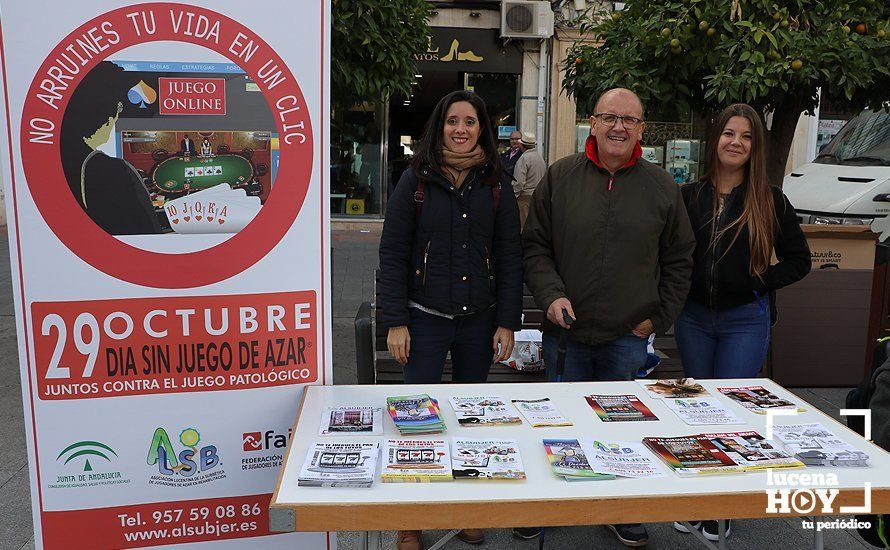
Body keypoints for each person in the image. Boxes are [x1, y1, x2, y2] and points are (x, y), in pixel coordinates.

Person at [521, 88, 695, 547]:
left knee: (623, 430)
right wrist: (550, 294)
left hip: (627, 336)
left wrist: (657, 319)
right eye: (609, 117)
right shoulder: (561, 177)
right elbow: (535, 247)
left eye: (630, 120)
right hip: (566, 332)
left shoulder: (662, 187)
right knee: (557, 426)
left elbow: (680, 260)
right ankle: (551, 505)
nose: (619, 127)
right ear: (593, 123)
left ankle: (620, 508)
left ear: (642, 128)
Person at [378, 90, 522, 550]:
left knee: (468, 421)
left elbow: (509, 255)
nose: (461, 129)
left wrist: (507, 321)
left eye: (471, 122)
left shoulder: (496, 183)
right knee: (415, 421)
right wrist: (395, 320)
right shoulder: (415, 181)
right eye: (452, 121)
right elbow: (393, 252)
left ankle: (464, 512)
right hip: (424, 318)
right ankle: (412, 521)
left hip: (479, 321)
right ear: (439, 126)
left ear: (483, 129)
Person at [673, 103, 811, 542]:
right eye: (728, 133)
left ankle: (722, 507)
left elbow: (799, 260)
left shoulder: (770, 199)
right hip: (693, 317)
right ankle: (697, 500)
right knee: (696, 410)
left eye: (746, 136)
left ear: (755, 147)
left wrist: (759, 282)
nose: (736, 142)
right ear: (714, 140)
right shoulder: (688, 195)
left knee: (731, 413)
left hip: (744, 321)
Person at [60, 61, 162, 236]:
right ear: (107, 115)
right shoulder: (111, 170)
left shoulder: (56, 158)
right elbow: (148, 234)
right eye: (119, 107)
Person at [511, 131, 546, 229]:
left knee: (523, 226)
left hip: (524, 198)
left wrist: (514, 196)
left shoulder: (524, 158)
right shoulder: (540, 158)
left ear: (522, 145)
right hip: (537, 196)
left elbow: (519, 182)